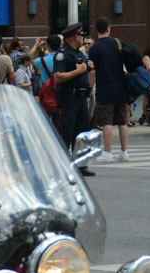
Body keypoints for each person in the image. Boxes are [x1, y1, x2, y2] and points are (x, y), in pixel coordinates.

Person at [53, 22, 94, 173]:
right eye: (81, 35)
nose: (82, 38)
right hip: (68, 98)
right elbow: (57, 77)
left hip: (81, 97)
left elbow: (85, 76)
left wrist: (89, 71)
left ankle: (81, 165)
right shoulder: (62, 54)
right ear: (75, 37)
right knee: (66, 131)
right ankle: (62, 166)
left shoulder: (80, 54)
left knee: (83, 131)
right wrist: (77, 72)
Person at [87, 18, 128, 162]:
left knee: (107, 122)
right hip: (120, 87)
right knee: (122, 121)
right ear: (109, 28)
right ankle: (124, 152)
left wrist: (88, 90)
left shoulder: (95, 48)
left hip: (105, 88)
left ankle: (108, 152)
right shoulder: (118, 43)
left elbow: (92, 72)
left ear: (96, 30)